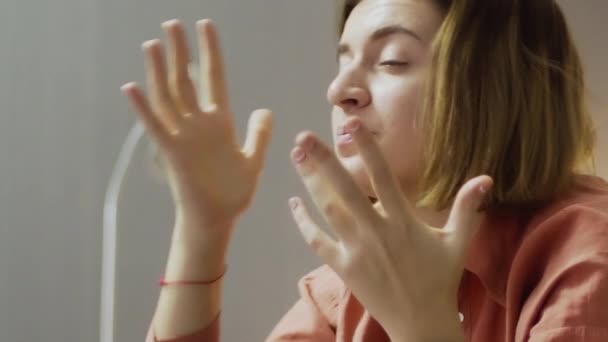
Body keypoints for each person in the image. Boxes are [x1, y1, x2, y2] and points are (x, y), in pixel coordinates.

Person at [121, 0, 608, 341]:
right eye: (343, 60)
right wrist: (203, 230)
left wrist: (424, 326)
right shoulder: (349, 290)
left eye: (392, 61)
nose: (339, 91)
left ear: (496, 89)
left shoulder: (586, 254)